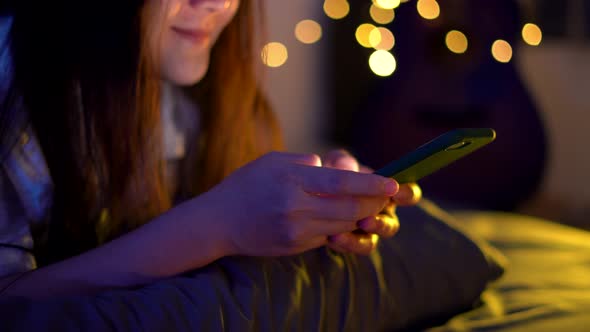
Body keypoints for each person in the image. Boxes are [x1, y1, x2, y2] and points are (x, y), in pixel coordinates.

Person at [0, 0, 420, 300]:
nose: (218, 3)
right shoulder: (13, 81)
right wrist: (216, 225)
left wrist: (316, 200)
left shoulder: (199, 86)